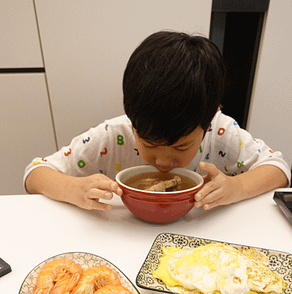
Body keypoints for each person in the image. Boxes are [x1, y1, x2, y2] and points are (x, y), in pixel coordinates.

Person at [24, 31, 290, 212]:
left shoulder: (221, 132)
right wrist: (73, 188)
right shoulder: (112, 136)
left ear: (207, 124)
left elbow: (279, 170)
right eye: (149, 143)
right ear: (132, 122)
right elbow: (34, 173)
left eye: (181, 148)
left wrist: (235, 187)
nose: (162, 161)